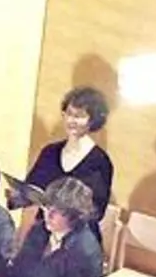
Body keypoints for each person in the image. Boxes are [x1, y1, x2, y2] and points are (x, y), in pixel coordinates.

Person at [23, 86, 115, 236]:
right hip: (45, 228)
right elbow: (32, 187)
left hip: (77, 237)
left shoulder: (100, 162)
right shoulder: (50, 151)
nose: (72, 121)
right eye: (69, 114)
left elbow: (97, 211)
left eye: (79, 116)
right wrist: (20, 195)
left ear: (93, 120)